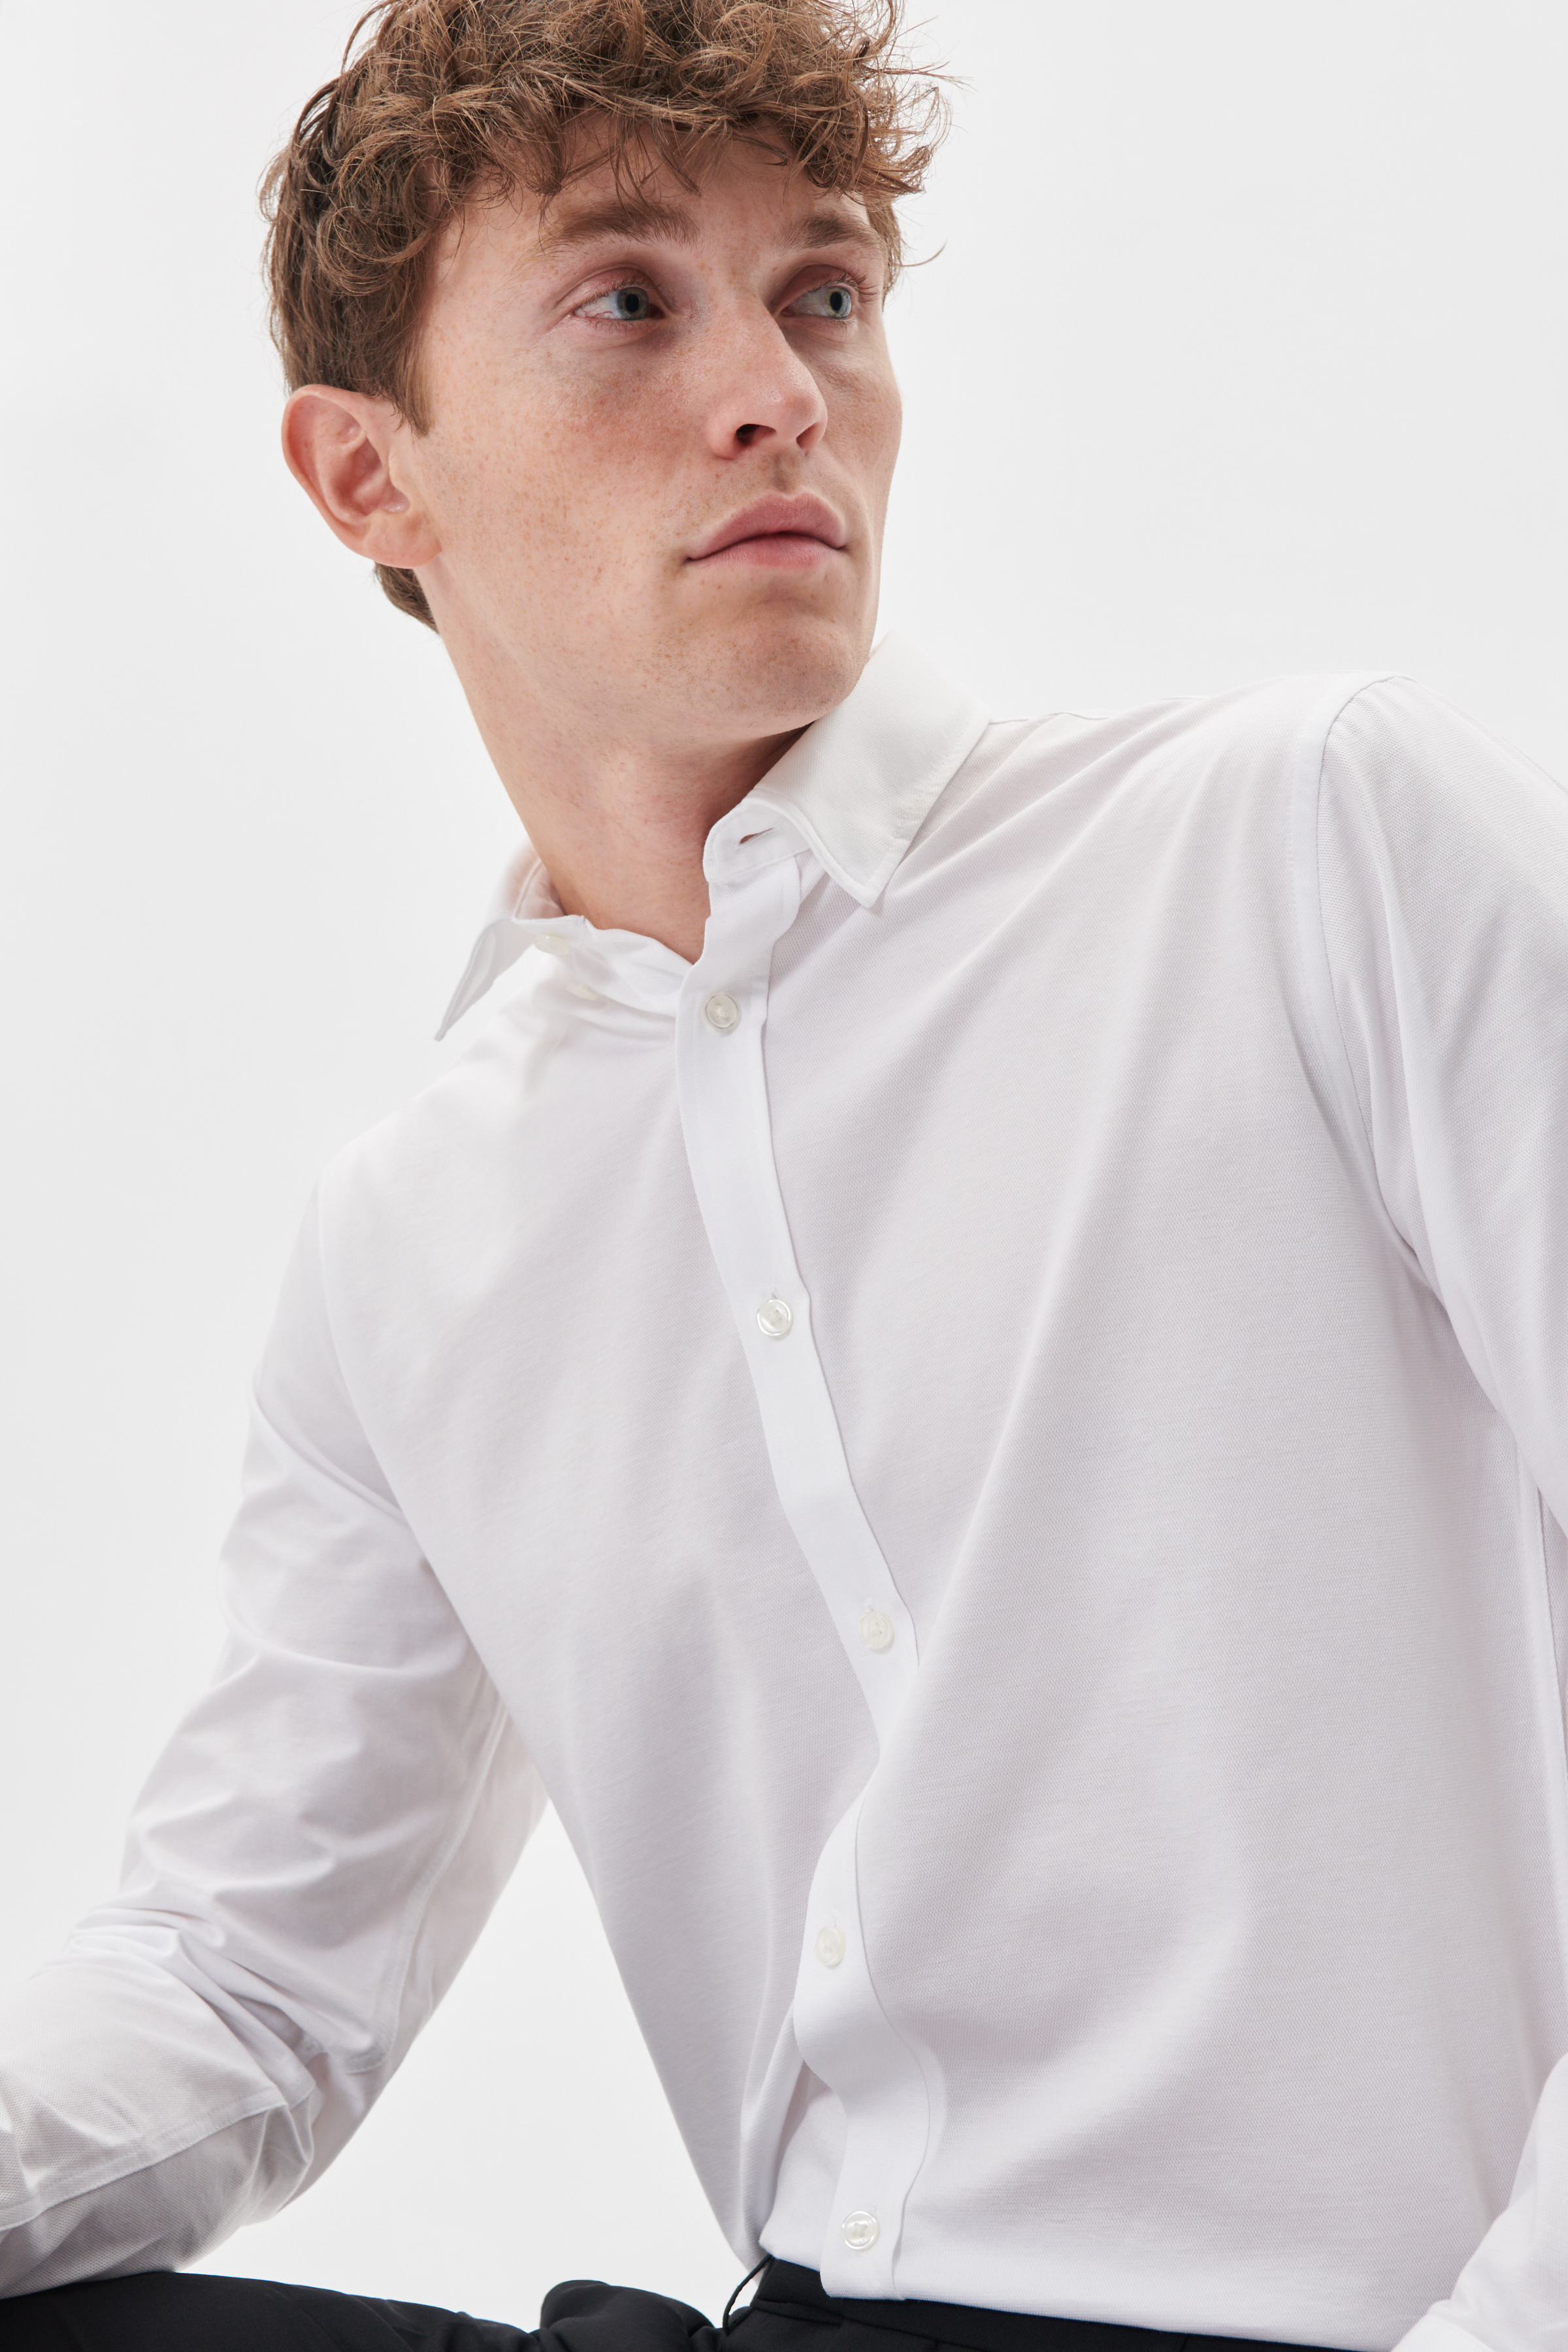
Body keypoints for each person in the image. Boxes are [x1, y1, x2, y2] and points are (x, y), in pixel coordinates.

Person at [4, 1, 1568, 2347]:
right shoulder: (415, 1232)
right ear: (369, 477)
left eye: (823, 291)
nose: (777, 392)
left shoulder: (1309, 842)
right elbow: (245, 1979)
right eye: (630, 301)